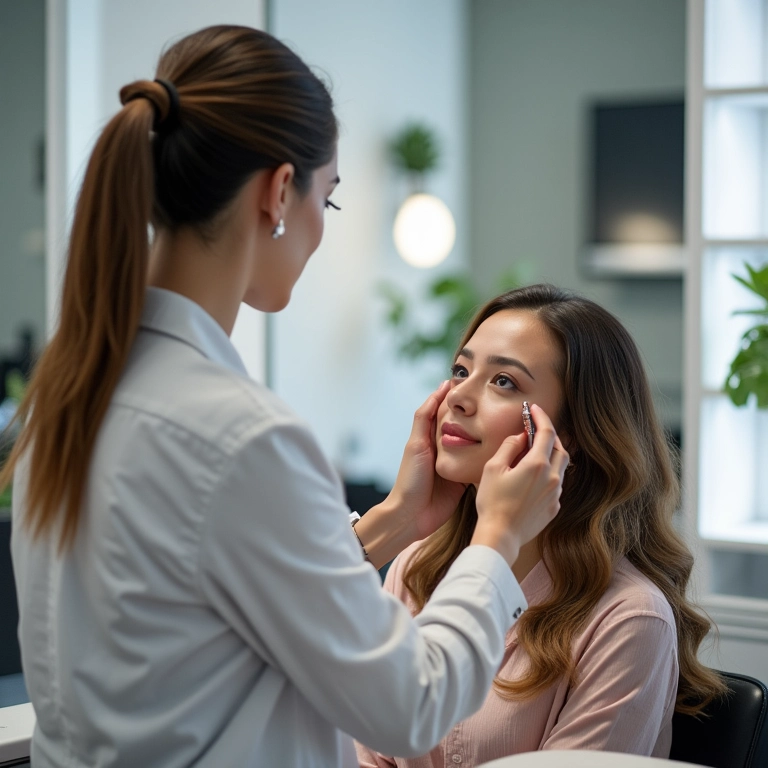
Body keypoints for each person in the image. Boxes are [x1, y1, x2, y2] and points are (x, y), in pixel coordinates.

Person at [0, 25, 570, 768]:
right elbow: (413, 703)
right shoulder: (242, 438)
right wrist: (497, 537)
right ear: (277, 192)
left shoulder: (68, 400)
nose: (318, 231)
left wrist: (394, 520)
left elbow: (207, 592)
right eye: (326, 202)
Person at [356, 284, 728, 768]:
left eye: (504, 382)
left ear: (568, 435)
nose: (459, 399)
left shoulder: (629, 620)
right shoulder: (416, 567)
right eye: (461, 371)